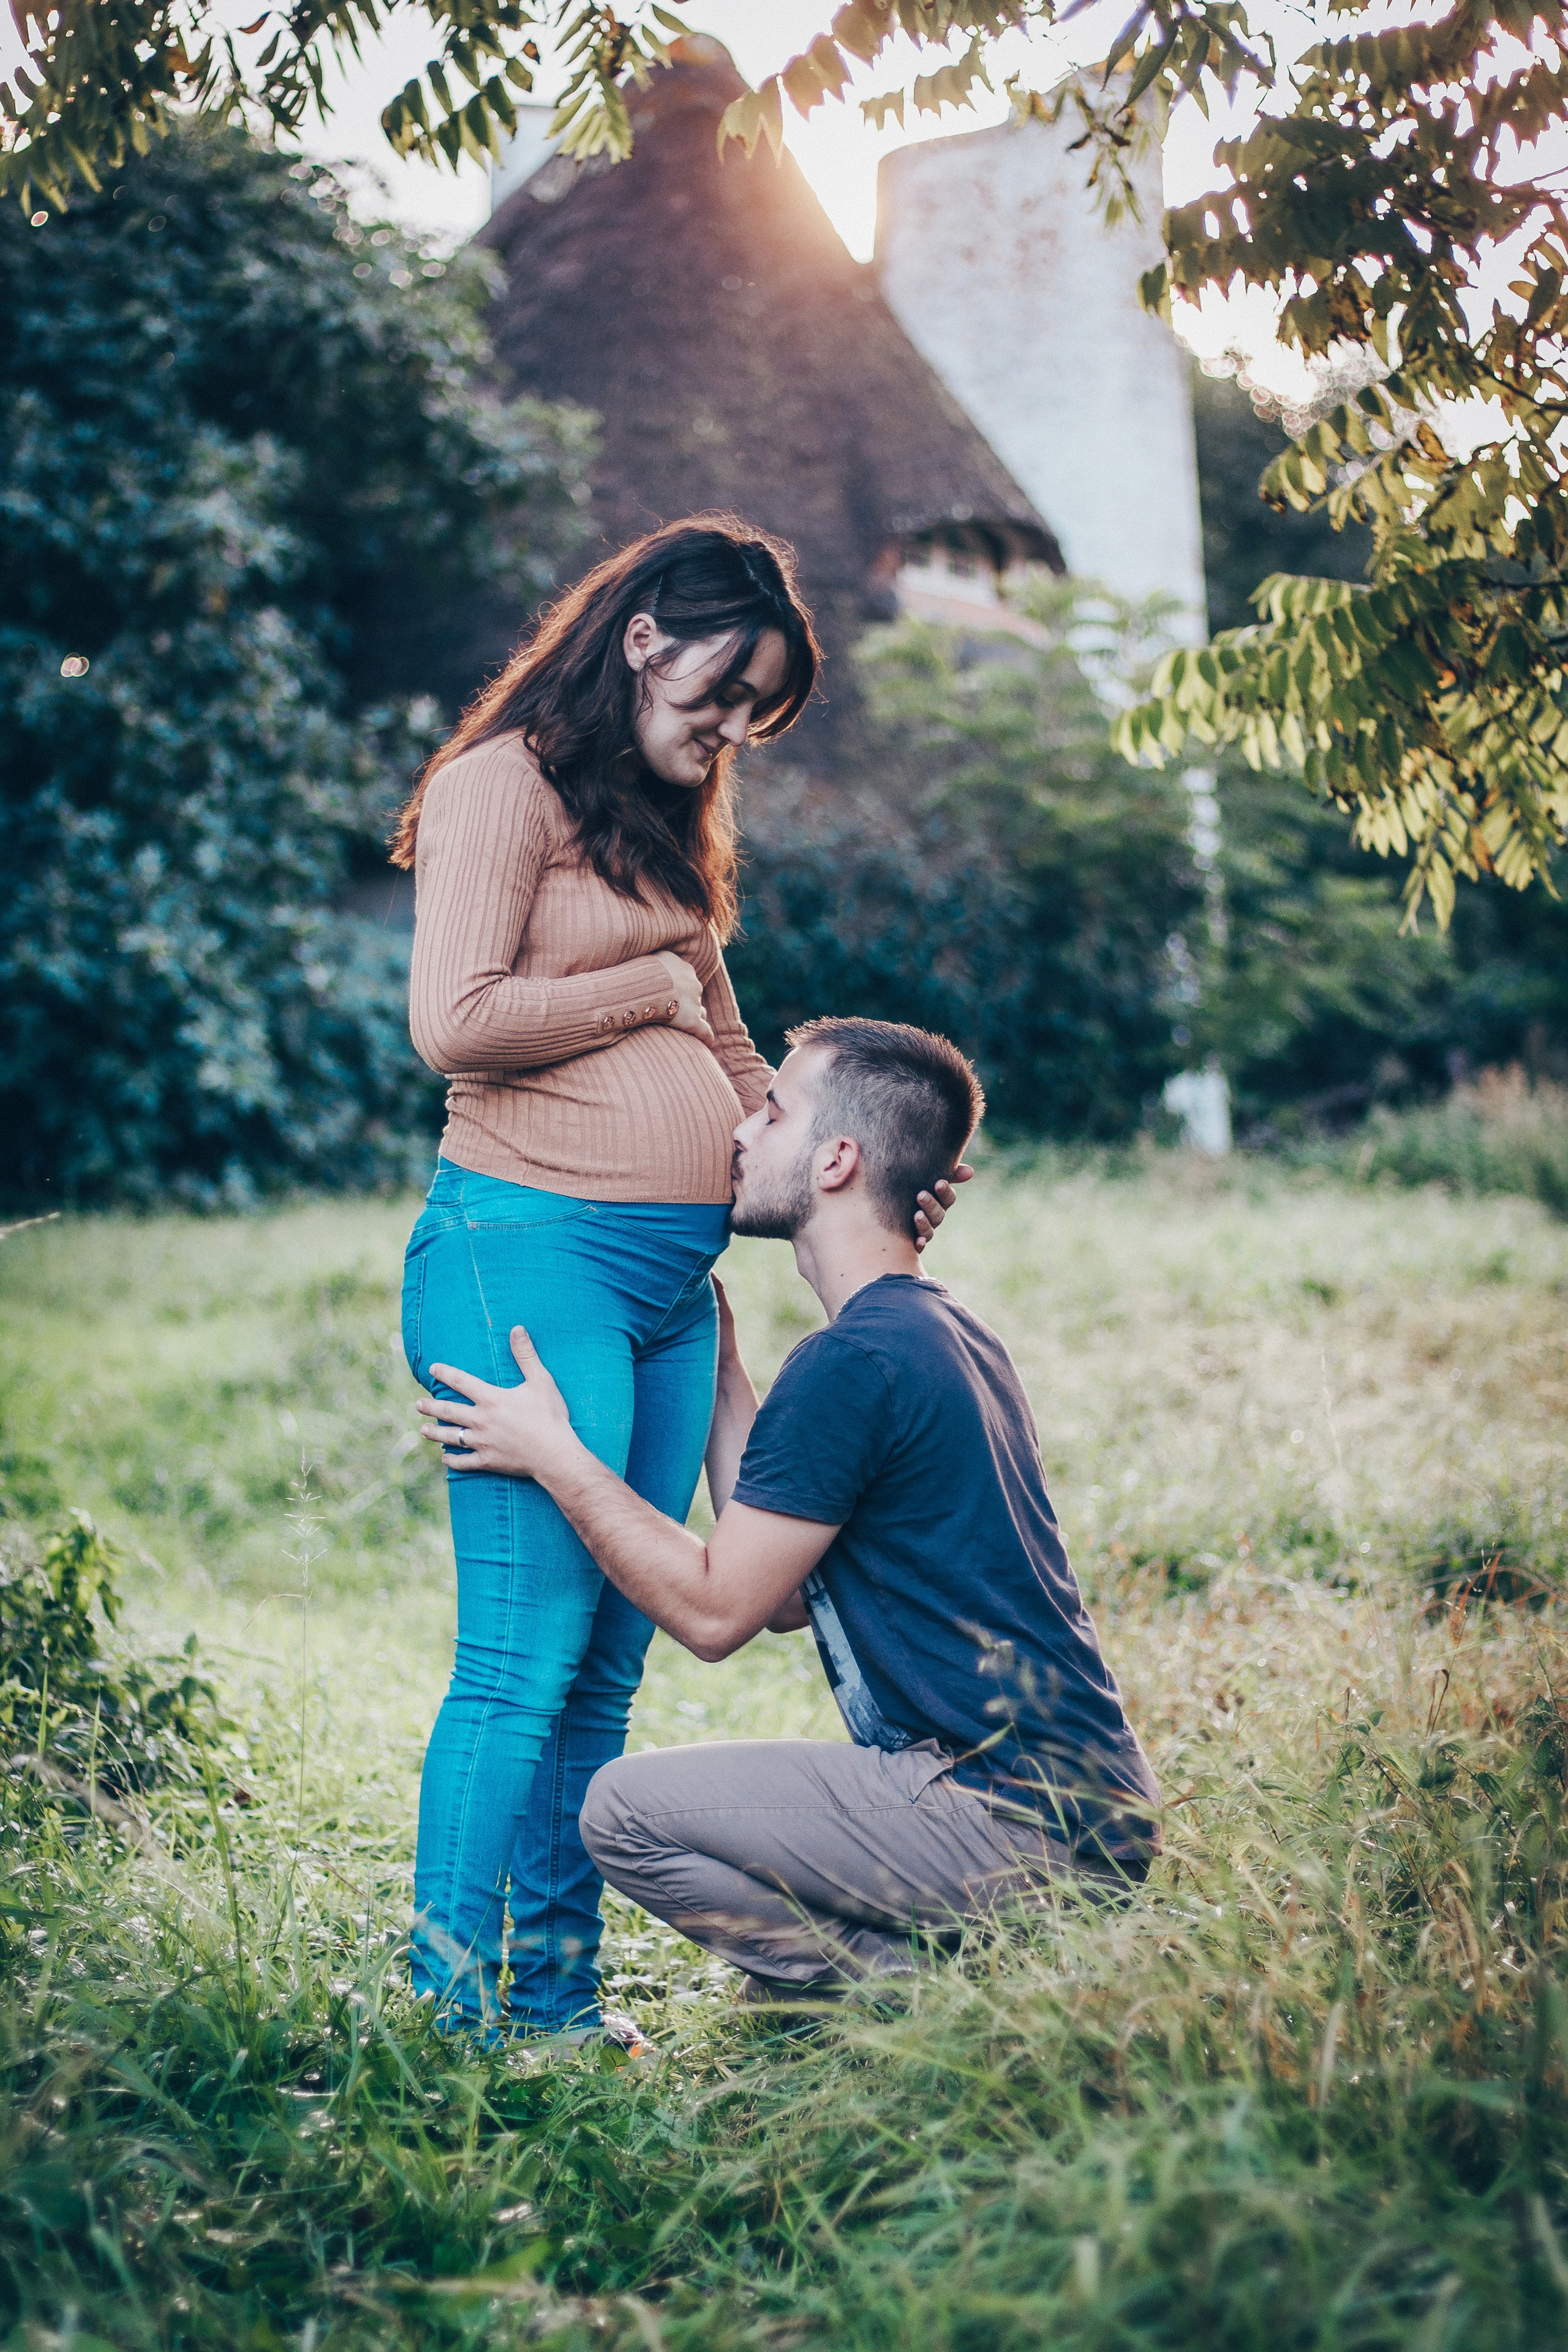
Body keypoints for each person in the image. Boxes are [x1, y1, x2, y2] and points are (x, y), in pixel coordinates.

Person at [391, 522, 962, 2041]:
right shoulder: (496, 787)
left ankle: (556, 2007)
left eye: (751, 718)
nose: (724, 736)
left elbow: (729, 1066)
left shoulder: (659, 823)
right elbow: (453, 1022)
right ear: (645, 635)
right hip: (523, 1254)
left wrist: (866, 1167)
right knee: (518, 1664)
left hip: (663, 1293)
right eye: (722, 696)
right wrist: (648, 981)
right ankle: (445, 2018)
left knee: (599, 1683)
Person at [419, 1017, 1162, 2003]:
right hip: (1089, 1821)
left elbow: (718, 1615)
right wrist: (725, 1375)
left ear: (836, 1160)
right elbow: (779, 1598)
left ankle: (930, 1994)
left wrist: (555, 1454)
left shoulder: (852, 1365)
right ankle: (971, 1977)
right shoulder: (938, 1333)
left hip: (1007, 1820)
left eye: (771, 1111)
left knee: (622, 1813)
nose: (738, 1130)